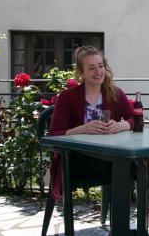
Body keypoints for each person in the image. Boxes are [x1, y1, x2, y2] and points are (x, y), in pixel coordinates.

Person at [48, 45, 134, 200]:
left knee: (132, 163)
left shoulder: (114, 93)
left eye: (101, 66)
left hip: (109, 157)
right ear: (81, 73)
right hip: (76, 161)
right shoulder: (67, 97)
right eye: (92, 68)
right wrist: (83, 129)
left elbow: (135, 119)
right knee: (130, 166)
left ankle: (122, 221)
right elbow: (54, 134)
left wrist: (120, 126)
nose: (98, 72)